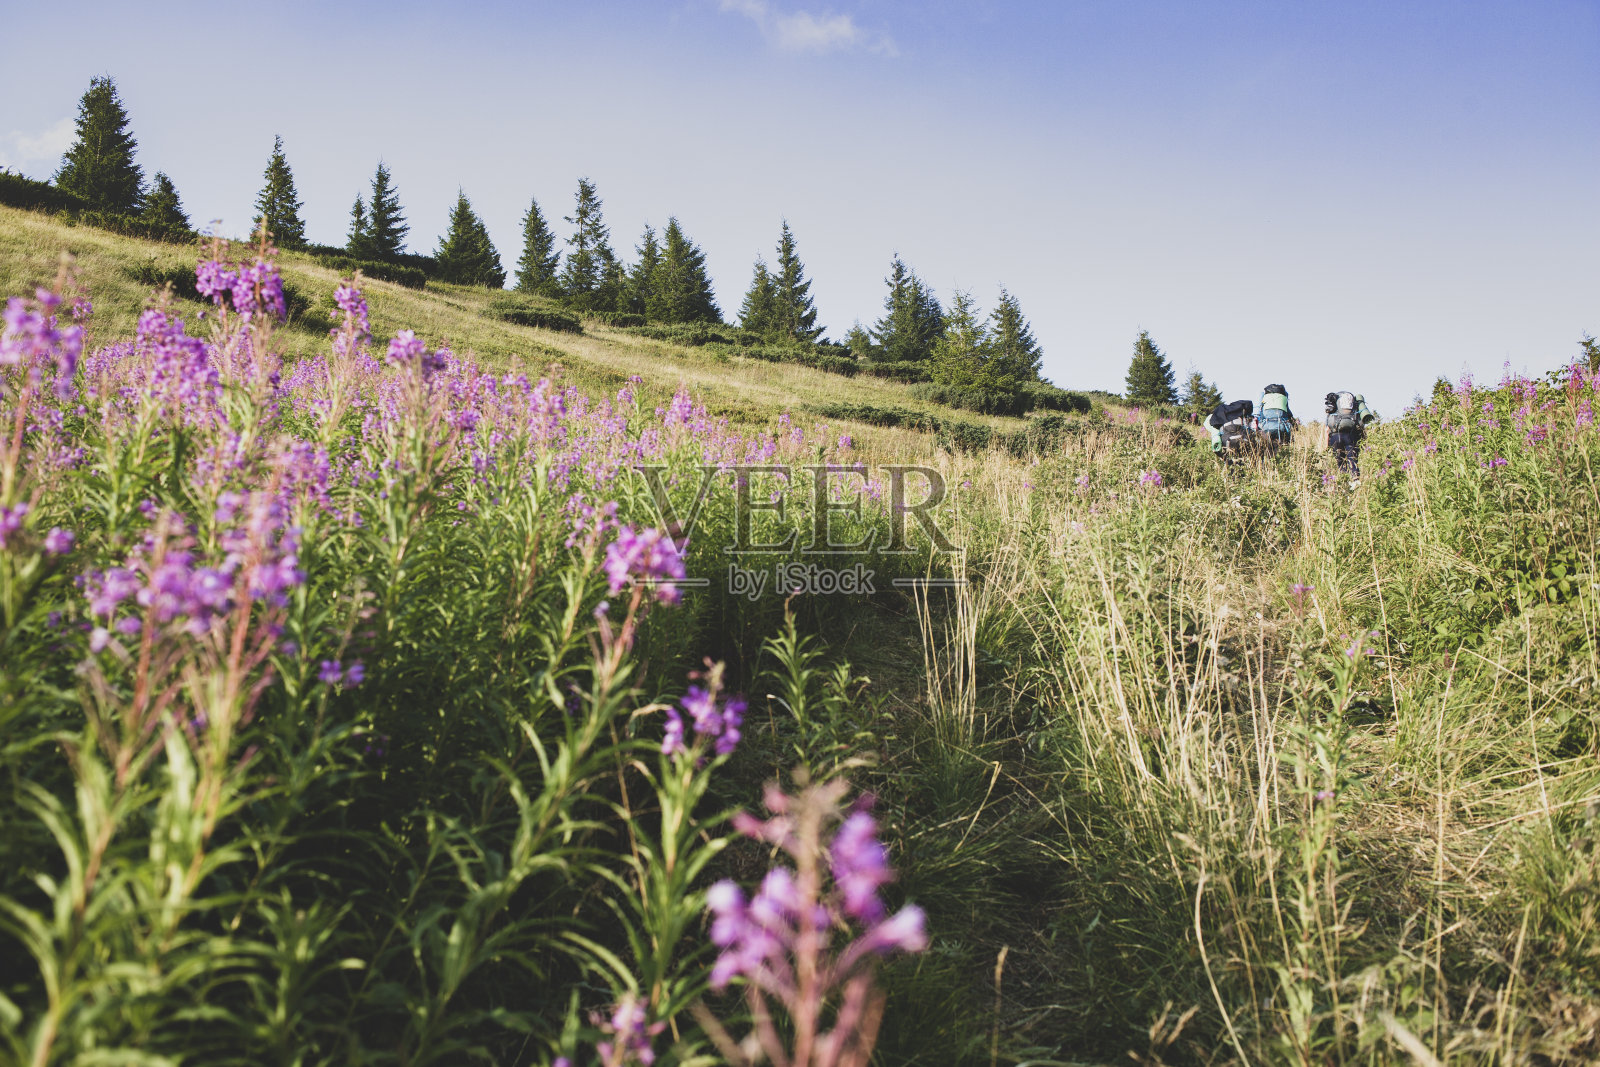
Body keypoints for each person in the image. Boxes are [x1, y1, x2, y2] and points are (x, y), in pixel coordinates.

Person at [1324, 391, 1377, 484]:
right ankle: (1355, 481)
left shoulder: (1333, 411)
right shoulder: (1354, 409)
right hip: (1351, 437)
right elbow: (1361, 426)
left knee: (1340, 462)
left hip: (1335, 437)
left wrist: (1326, 445)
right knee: (1352, 460)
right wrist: (1364, 442)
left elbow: (1327, 430)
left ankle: (1344, 483)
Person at [1255, 384, 1296, 450]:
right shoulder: (1284, 397)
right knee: (1287, 443)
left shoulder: (1264, 397)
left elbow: (1259, 413)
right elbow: (1288, 413)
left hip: (1265, 426)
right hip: (1281, 426)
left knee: (1265, 446)